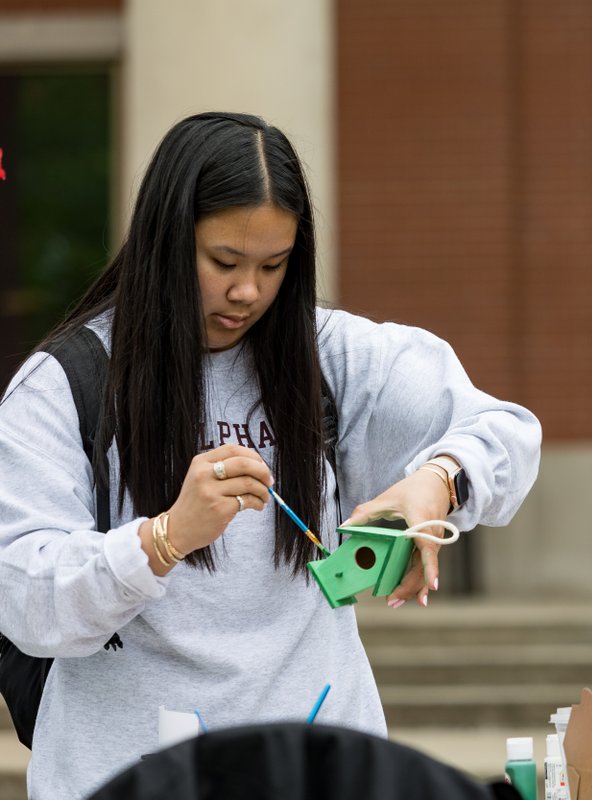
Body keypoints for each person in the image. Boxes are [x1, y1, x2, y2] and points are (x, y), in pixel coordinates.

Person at [0, 111, 541, 799]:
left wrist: (439, 484)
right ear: (165, 242)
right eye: (223, 262)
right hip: (131, 775)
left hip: (321, 765)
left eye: (273, 266)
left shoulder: (330, 356)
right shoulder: (67, 383)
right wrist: (163, 538)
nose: (247, 291)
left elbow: (506, 430)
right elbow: (24, 596)